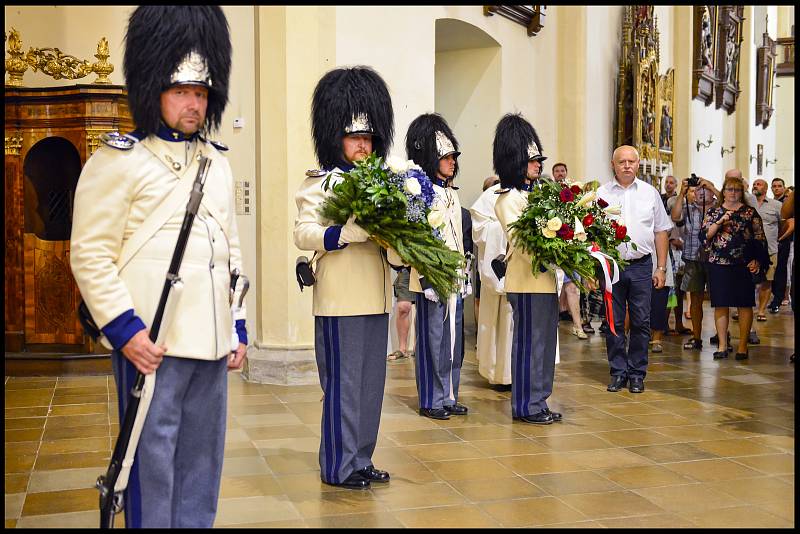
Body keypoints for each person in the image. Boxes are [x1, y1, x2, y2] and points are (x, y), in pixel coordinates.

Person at [70, 7, 246, 527]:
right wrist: (125, 331)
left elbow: (230, 251)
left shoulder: (217, 162)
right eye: (181, 91)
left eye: (201, 93)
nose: (194, 104)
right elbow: (90, 253)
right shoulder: (118, 161)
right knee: (151, 471)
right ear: (155, 90)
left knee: (201, 468)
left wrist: (237, 325)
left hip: (211, 345)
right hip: (153, 344)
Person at [293, 66, 396, 490]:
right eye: (355, 138)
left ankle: (361, 457)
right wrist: (342, 234)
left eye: (369, 138)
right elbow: (302, 232)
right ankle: (338, 464)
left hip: (376, 297)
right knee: (343, 386)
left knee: (371, 386)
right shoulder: (322, 184)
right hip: (339, 299)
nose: (362, 145)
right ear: (337, 138)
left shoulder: (383, 185)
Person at [493, 113, 561, 424]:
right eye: (532, 160)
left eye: (538, 160)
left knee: (544, 345)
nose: (538, 165)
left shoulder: (535, 196)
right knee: (529, 346)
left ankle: (540, 399)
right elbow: (522, 241)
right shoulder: (508, 200)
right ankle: (526, 405)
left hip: (544, 281)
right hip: (525, 281)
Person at [406, 113, 468, 420]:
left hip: (455, 277)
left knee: (454, 340)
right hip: (431, 278)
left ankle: (449, 394)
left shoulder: (451, 193)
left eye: (453, 157)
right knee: (432, 340)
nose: (452, 162)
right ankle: (431, 398)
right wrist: (426, 278)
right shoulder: (418, 192)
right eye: (446, 157)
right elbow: (416, 239)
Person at [597, 145, 673, 394]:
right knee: (614, 322)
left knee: (641, 321)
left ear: (638, 165)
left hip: (642, 266)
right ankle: (618, 372)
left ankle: (637, 373)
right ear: (613, 164)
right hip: (612, 266)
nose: (627, 165)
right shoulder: (602, 193)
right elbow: (591, 233)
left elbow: (661, 231)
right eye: (622, 162)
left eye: (631, 161)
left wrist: (661, 268)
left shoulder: (650, 194)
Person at [702, 174, 769, 360]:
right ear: (723, 192)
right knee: (720, 304)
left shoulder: (749, 212)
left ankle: (742, 346)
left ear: (742, 192)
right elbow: (705, 236)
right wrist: (719, 221)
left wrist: (757, 260)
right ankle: (723, 345)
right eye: (729, 189)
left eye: (737, 189)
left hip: (743, 264)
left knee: (744, 304)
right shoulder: (714, 212)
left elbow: (760, 238)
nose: (733, 193)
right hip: (718, 264)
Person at [470, 175, 513, 388]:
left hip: (529, 273)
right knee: (502, 321)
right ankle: (500, 374)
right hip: (502, 268)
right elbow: (480, 231)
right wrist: (506, 228)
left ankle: (530, 374)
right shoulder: (491, 195)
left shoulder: (536, 192)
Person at [669, 176, 720, 350]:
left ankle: (722, 335)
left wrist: (712, 186)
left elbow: (728, 201)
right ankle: (697, 337)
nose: (700, 193)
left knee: (720, 300)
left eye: (703, 190)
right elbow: (675, 216)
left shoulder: (718, 207)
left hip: (715, 260)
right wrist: (681, 194)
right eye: (697, 190)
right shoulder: (687, 207)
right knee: (696, 300)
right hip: (692, 258)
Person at [751, 178, 783, 322]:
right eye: (754, 184)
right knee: (747, 281)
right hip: (750, 250)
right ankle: (745, 308)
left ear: (765, 189)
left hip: (770, 249)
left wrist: (779, 238)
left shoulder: (776, 205)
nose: (755, 186)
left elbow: (785, 223)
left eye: (758, 184)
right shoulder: (747, 203)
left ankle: (761, 310)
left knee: (767, 281)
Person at [769, 177, 791, 313]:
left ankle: (777, 300)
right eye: (774, 186)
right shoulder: (770, 203)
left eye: (779, 186)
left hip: (783, 241)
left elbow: (789, 223)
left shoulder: (787, 203)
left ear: (784, 187)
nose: (776, 188)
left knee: (781, 270)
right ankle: (773, 298)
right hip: (771, 242)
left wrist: (781, 238)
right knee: (771, 272)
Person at [387, 267, 414, 361]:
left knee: (424, 308)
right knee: (403, 307)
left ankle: (418, 347)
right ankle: (402, 349)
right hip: (406, 267)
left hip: (426, 266)